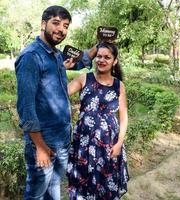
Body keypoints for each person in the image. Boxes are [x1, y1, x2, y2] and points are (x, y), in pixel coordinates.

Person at [15, 5, 97, 200]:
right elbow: (26, 108)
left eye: (66, 25)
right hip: (44, 142)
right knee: (36, 194)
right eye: (56, 23)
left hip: (61, 139)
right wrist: (41, 148)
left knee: (53, 189)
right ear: (43, 24)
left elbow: (81, 60)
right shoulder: (31, 57)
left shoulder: (56, 55)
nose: (61, 29)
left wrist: (100, 45)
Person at [66, 42, 129, 199]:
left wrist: (119, 143)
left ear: (114, 61)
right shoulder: (83, 79)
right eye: (99, 56)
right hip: (84, 141)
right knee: (82, 180)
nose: (101, 60)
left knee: (106, 181)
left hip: (109, 142)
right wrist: (62, 68)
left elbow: (123, 116)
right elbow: (60, 93)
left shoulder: (118, 85)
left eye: (107, 57)